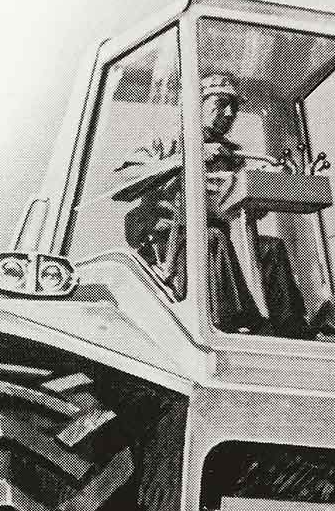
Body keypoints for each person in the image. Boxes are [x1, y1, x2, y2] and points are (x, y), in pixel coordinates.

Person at [118, 73, 307, 337]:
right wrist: (189, 158)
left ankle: (293, 330)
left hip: (223, 245)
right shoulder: (165, 141)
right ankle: (233, 323)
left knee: (269, 249)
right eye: (221, 103)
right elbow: (122, 183)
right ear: (197, 105)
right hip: (173, 248)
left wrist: (264, 182)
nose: (230, 113)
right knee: (212, 238)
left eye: (235, 107)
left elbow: (240, 210)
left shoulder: (233, 155)